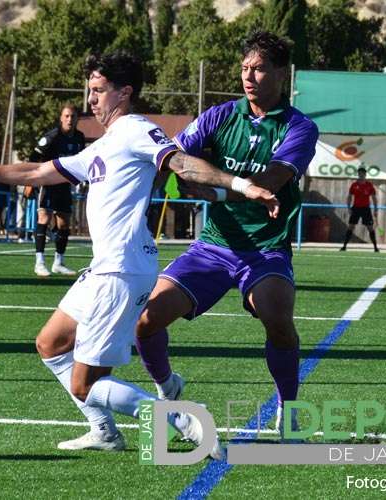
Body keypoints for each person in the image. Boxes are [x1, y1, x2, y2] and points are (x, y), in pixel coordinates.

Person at [0, 50, 278, 456]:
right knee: (50, 344)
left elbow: (181, 163)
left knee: (86, 384)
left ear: (124, 93)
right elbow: (38, 171)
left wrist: (241, 185)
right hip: (105, 268)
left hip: (122, 269)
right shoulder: (102, 144)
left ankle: (182, 419)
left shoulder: (136, 130)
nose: (90, 99)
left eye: (98, 90)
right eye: (89, 90)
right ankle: (104, 432)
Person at [133, 31, 319, 439]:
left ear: (282, 74)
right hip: (213, 246)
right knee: (145, 320)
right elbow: (175, 159)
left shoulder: (300, 127)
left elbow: (270, 180)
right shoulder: (219, 116)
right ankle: (168, 388)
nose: (249, 76)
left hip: (265, 250)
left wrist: (216, 189)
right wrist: (151, 188)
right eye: (245, 68)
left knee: (278, 320)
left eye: (260, 69)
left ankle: (288, 406)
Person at [27, 104, 85, 277]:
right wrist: (30, 181)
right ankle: (39, 262)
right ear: (61, 118)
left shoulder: (79, 138)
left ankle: (58, 262)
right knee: (44, 217)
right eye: (66, 116)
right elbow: (34, 157)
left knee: (64, 223)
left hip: (64, 184)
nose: (69, 119)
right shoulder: (52, 136)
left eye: (73, 116)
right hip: (47, 182)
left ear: (77, 119)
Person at [340, 166, 379, 252]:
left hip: (366, 209)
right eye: (359, 174)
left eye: (362, 174)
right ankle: (344, 246)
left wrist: (376, 209)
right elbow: (349, 197)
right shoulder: (354, 185)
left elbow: (374, 198)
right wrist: (349, 208)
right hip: (356, 208)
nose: (361, 175)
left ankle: (375, 247)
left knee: (370, 228)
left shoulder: (369, 185)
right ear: (358, 174)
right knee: (351, 226)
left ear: (365, 174)